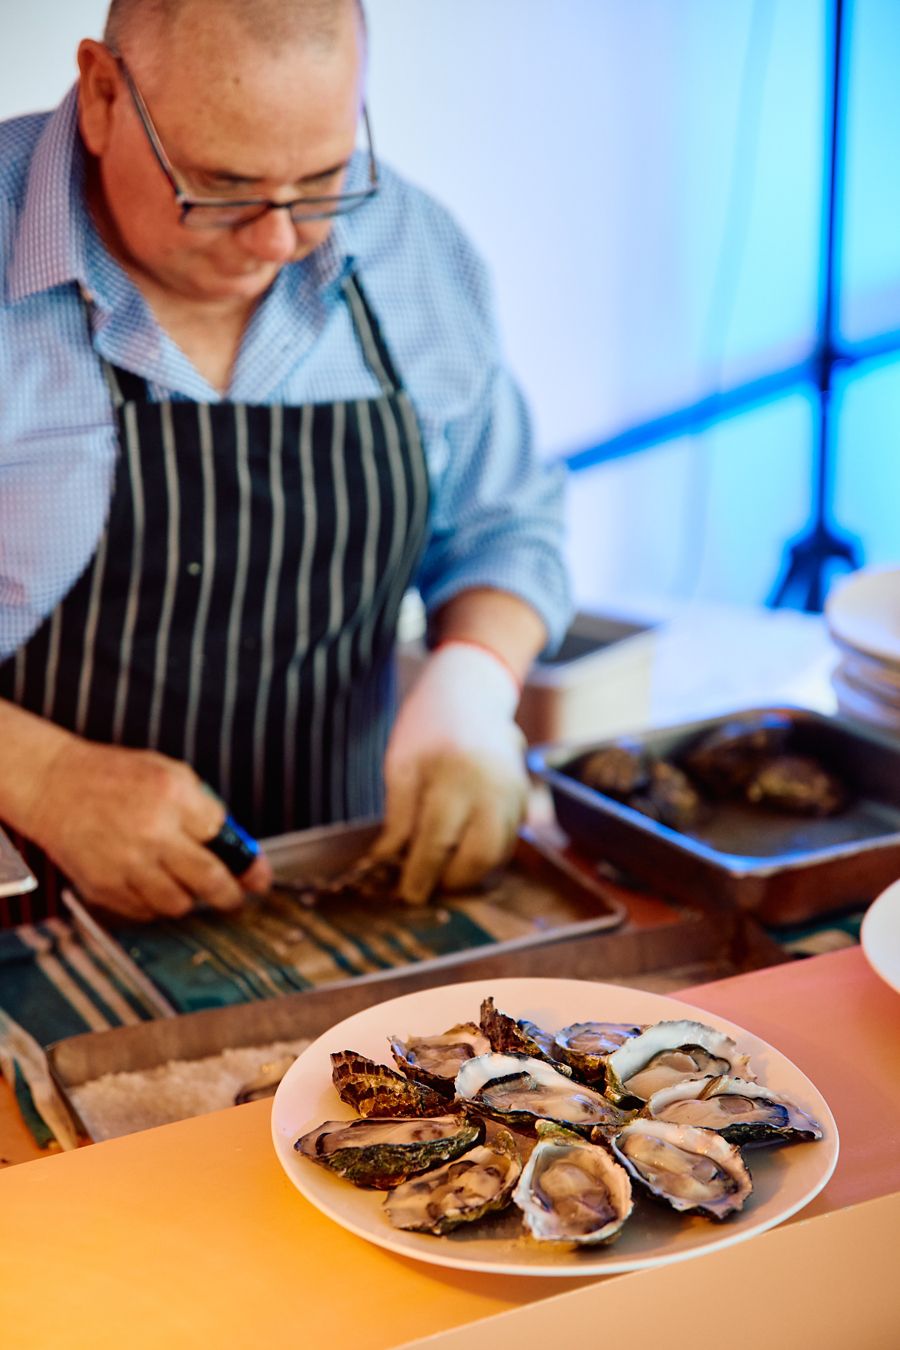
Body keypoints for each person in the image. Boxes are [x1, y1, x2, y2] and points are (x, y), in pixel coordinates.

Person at [0, 0, 570, 925]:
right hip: (28, 924)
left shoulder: (412, 249)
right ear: (103, 95)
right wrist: (42, 776)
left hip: (332, 904)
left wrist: (472, 684)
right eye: (220, 187)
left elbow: (507, 524)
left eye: (321, 180)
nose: (274, 241)